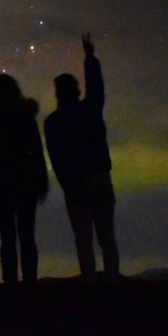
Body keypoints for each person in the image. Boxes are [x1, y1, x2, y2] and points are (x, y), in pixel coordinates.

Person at [44, 33, 120, 281]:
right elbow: (97, 87)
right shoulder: (90, 109)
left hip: (76, 182)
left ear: (57, 93)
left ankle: (89, 279)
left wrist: (68, 184)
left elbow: (56, 158)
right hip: (99, 176)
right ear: (76, 90)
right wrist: (90, 58)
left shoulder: (52, 122)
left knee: (83, 237)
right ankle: (111, 278)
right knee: (106, 235)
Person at [0, 74, 49, 285]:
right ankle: (30, 283)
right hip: (25, 180)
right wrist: (42, 179)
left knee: (7, 237)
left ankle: (10, 284)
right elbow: (36, 150)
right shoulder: (25, 114)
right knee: (27, 235)